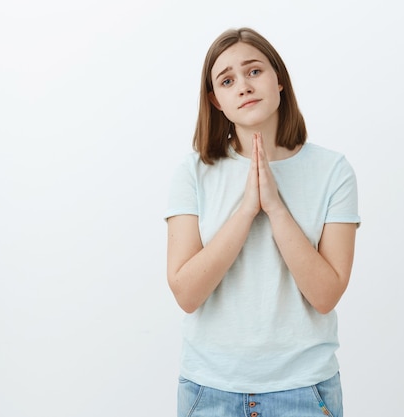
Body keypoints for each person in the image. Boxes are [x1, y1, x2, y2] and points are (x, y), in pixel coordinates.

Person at [164, 27, 360, 417]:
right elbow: (187, 294)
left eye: (254, 71)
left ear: (279, 79)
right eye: (227, 80)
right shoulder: (193, 173)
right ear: (215, 100)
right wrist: (245, 210)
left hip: (304, 391)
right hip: (210, 391)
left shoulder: (332, 170)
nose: (243, 86)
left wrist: (275, 206)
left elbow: (326, 296)